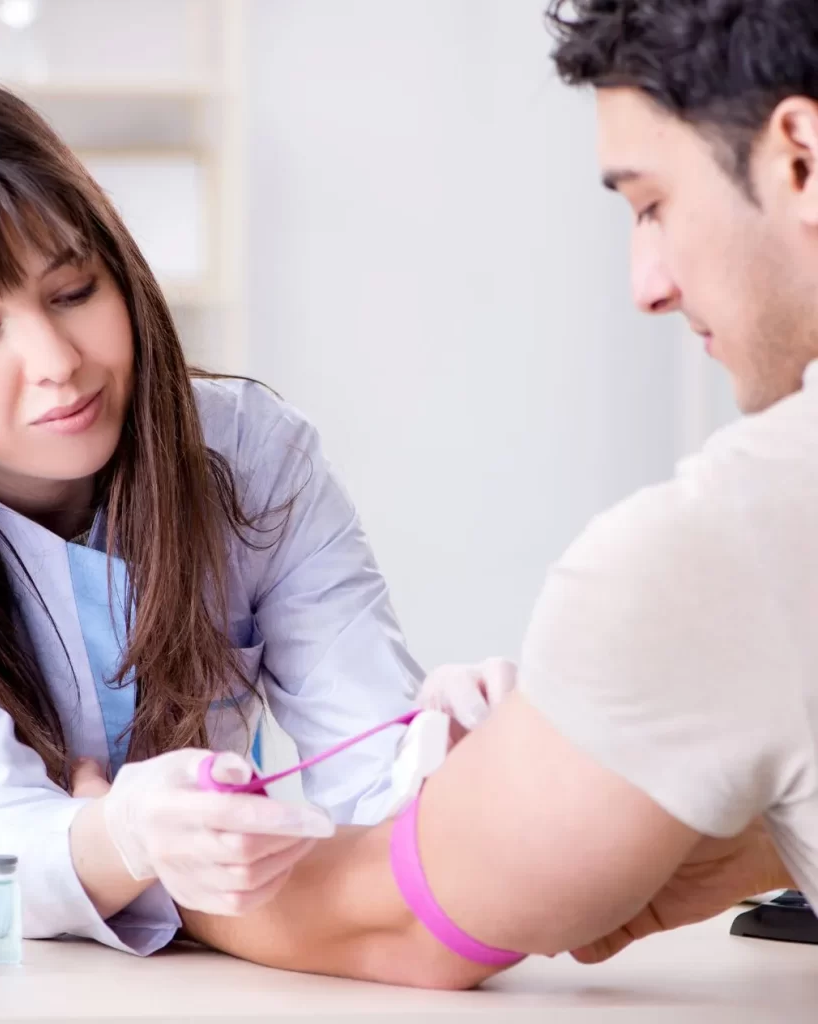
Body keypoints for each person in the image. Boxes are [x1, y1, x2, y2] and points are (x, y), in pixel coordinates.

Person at [69, 0, 818, 988]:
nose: (645, 284)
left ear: (799, 157)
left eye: (649, 203)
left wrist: (128, 843)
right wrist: (766, 834)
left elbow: (393, 921)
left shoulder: (721, 545)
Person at [0, 76, 424, 956]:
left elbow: (381, 773)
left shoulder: (253, 453)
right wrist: (120, 837)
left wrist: (456, 754)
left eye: (74, 291)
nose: (56, 362)